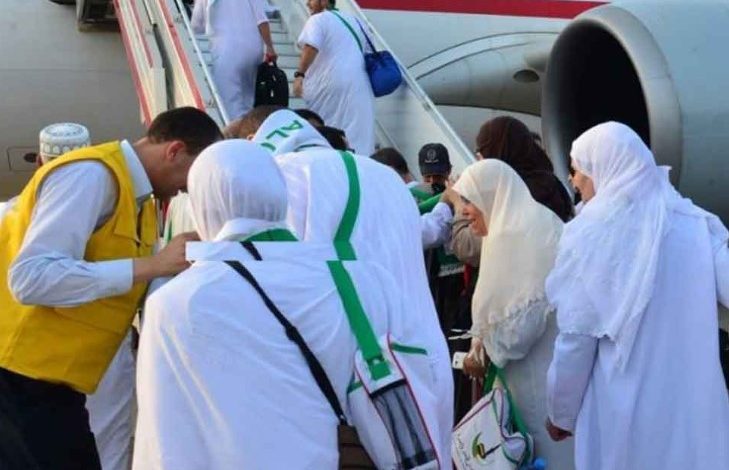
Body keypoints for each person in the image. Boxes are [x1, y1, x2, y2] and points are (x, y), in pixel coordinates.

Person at [134, 139, 399, 468]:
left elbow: (164, 437)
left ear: (202, 203)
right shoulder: (360, 279)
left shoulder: (176, 302)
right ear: (279, 193)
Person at [0, 107, 222, 469]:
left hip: (52, 383)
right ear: (174, 151)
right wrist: (153, 265)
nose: (186, 190)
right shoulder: (91, 175)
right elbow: (32, 277)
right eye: (190, 178)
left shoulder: (138, 201)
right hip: (19, 378)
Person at [252, 108, 453, 464]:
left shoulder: (284, 177)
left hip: (358, 377)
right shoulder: (386, 178)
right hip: (420, 355)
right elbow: (421, 235)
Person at [545, 122, 729, 470]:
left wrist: (561, 413)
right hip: (692, 407)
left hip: (623, 411)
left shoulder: (590, 235)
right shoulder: (697, 223)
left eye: (579, 170)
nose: (574, 180)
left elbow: (576, 339)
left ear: (603, 169)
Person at [453, 159, 575, 469]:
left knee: (541, 452)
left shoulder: (521, 236)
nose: (464, 211)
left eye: (469, 200)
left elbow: (519, 333)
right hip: (534, 376)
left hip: (534, 379)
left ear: (492, 196)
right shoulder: (516, 228)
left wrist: (483, 352)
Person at [294, 0, 375, 155]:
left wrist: (299, 75)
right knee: (359, 135)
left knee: (327, 132)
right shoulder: (357, 21)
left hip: (329, 86)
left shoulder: (318, 19)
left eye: (311, 0)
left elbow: (311, 47)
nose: (307, 3)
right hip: (360, 86)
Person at [191, 0, 278, 120]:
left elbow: (196, 26)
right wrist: (270, 47)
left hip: (226, 52)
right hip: (252, 50)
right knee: (247, 99)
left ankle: (236, 128)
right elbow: (262, 20)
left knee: (229, 103)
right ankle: (248, 126)